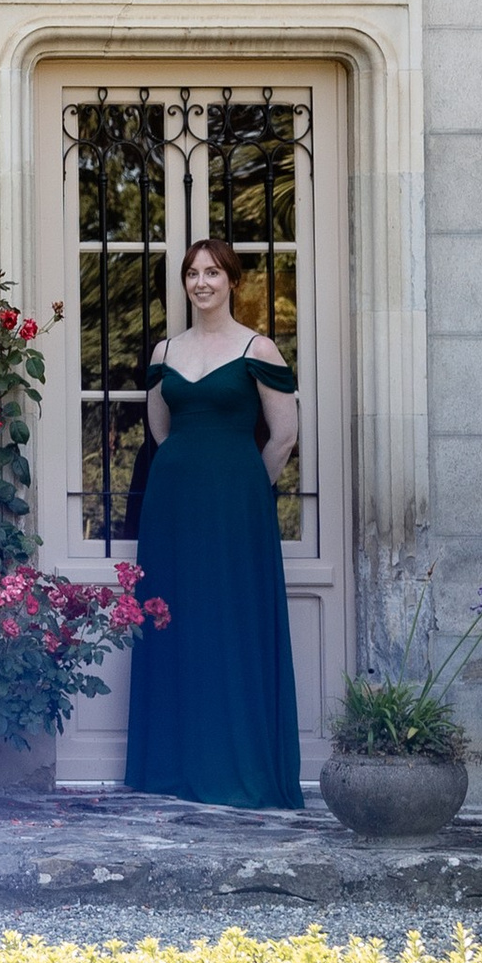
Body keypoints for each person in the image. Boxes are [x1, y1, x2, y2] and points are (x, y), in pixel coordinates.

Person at [123, 236, 302, 810]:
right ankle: (171, 764)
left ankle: (237, 766)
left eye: (213, 273)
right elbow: (161, 432)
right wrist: (191, 477)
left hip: (237, 508)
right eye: (193, 273)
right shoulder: (163, 353)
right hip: (173, 505)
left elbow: (284, 437)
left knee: (230, 622)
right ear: (184, 283)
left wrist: (244, 486)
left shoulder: (261, 349)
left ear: (233, 281)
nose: (202, 282)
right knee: (176, 621)